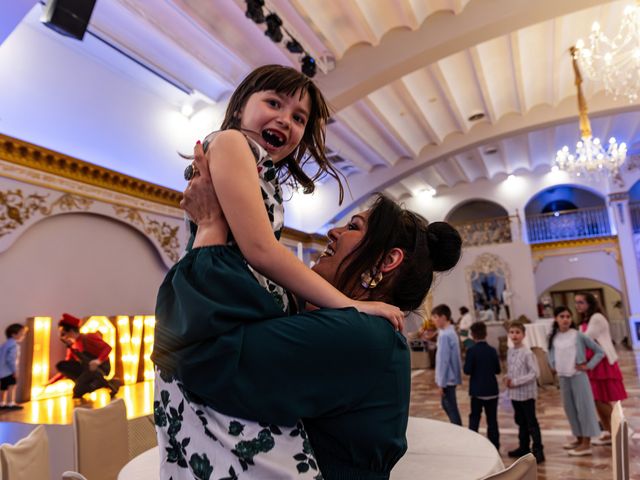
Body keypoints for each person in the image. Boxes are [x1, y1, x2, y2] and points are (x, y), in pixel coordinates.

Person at [153, 182, 462, 478]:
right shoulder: (366, 329)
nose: (333, 232)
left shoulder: (361, 336)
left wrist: (209, 227)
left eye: (353, 227)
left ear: (387, 259)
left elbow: (201, 355)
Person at [548, 306, 604, 456]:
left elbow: (600, 351)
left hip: (578, 377)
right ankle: (579, 439)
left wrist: (588, 365)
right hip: (563, 377)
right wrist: (553, 365)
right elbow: (551, 353)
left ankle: (586, 443)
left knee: (584, 409)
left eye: (568, 316)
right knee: (570, 409)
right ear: (556, 319)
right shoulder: (554, 337)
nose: (565, 319)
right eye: (562, 316)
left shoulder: (578, 335)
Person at [574, 292, 627, 446]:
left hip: (601, 363)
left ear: (590, 304)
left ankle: (621, 431)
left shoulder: (596, 317)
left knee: (600, 400)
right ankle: (611, 432)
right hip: (593, 362)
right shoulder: (586, 318)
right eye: (576, 302)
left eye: (581, 302)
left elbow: (586, 338)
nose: (578, 305)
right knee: (597, 400)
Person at [46, 314, 121, 399]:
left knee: (77, 391)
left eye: (64, 334)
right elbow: (67, 367)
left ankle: (108, 383)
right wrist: (51, 382)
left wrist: (98, 361)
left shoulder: (88, 337)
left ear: (71, 331)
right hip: (88, 370)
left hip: (101, 368)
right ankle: (102, 383)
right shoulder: (72, 347)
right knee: (62, 365)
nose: (63, 338)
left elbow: (107, 348)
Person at [504, 321, 544, 463]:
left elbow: (534, 373)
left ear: (523, 335)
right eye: (512, 332)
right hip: (515, 395)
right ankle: (524, 447)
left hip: (526, 394)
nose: (514, 335)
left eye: (517, 332)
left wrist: (515, 382)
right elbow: (512, 369)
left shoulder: (527, 353)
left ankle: (538, 450)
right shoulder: (510, 351)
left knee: (531, 422)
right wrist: (507, 378)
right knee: (520, 421)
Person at [464, 321, 501, 450]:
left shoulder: (471, 351)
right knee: (492, 421)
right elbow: (498, 370)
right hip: (492, 390)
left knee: (474, 418)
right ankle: (495, 446)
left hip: (477, 391)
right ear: (485, 334)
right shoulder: (492, 350)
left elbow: (467, 370)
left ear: (473, 335)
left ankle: (472, 444)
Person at [432, 304, 463, 426]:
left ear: (443, 317)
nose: (433, 320)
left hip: (447, 379)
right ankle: (458, 429)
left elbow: (443, 361)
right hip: (451, 377)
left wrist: (441, 383)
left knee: (449, 406)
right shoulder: (450, 331)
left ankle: (458, 431)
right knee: (447, 405)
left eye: (435, 317)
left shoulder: (445, 335)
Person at [0, 323, 28, 410]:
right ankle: (11, 402)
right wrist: (15, 371)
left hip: (2, 370)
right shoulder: (14, 345)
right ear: (14, 334)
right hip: (8, 370)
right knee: (12, 385)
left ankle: (2, 402)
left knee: (3, 387)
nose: (23, 336)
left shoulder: (5, 344)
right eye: (22, 334)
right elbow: (11, 359)